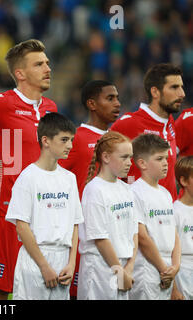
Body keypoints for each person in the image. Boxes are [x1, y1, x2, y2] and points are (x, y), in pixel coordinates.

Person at [0, 39, 58, 300]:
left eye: (47, 63)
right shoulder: (0, 104)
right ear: (20, 73)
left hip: (42, 215)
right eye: (39, 64)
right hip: (6, 212)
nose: (48, 68)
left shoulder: (51, 109)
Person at [5, 112, 83, 300]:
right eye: (64, 140)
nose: (70, 146)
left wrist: (71, 264)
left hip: (63, 262)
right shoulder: (28, 177)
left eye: (71, 140)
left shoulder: (69, 179)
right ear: (46, 141)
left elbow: (74, 224)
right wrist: (44, 266)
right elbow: (22, 226)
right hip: (35, 261)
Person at [59, 80, 121, 298]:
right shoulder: (76, 138)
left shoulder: (117, 141)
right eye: (110, 98)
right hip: (83, 237)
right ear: (92, 104)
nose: (117, 103)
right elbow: (51, 175)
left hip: (114, 234)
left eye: (117, 98)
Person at [77, 131, 138, 300]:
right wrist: (119, 271)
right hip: (100, 269)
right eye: (124, 157)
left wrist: (129, 268)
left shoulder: (126, 189)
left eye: (131, 157)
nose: (129, 163)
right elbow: (100, 238)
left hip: (123, 268)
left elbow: (134, 232)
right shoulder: (95, 190)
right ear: (105, 157)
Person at [111, 63, 185, 200]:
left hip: (167, 215)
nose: (182, 94)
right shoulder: (130, 123)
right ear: (155, 92)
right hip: (138, 216)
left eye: (181, 87)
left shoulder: (170, 123)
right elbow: (100, 162)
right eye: (174, 87)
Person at [129, 133, 181, 300]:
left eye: (166, 158)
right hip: (147, 267)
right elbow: (142, 237)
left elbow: (174, 234)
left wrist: (176, 266)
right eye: (159, 159)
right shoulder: (134, 192)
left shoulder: (165, 193)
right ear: (142, 163)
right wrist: (163, 269)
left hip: (167, 269)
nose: (166, 163)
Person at [172, 156, 193, 300]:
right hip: (183, 273)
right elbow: (170, 252)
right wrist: (173, 289)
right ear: (184, 181)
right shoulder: (175, 211)